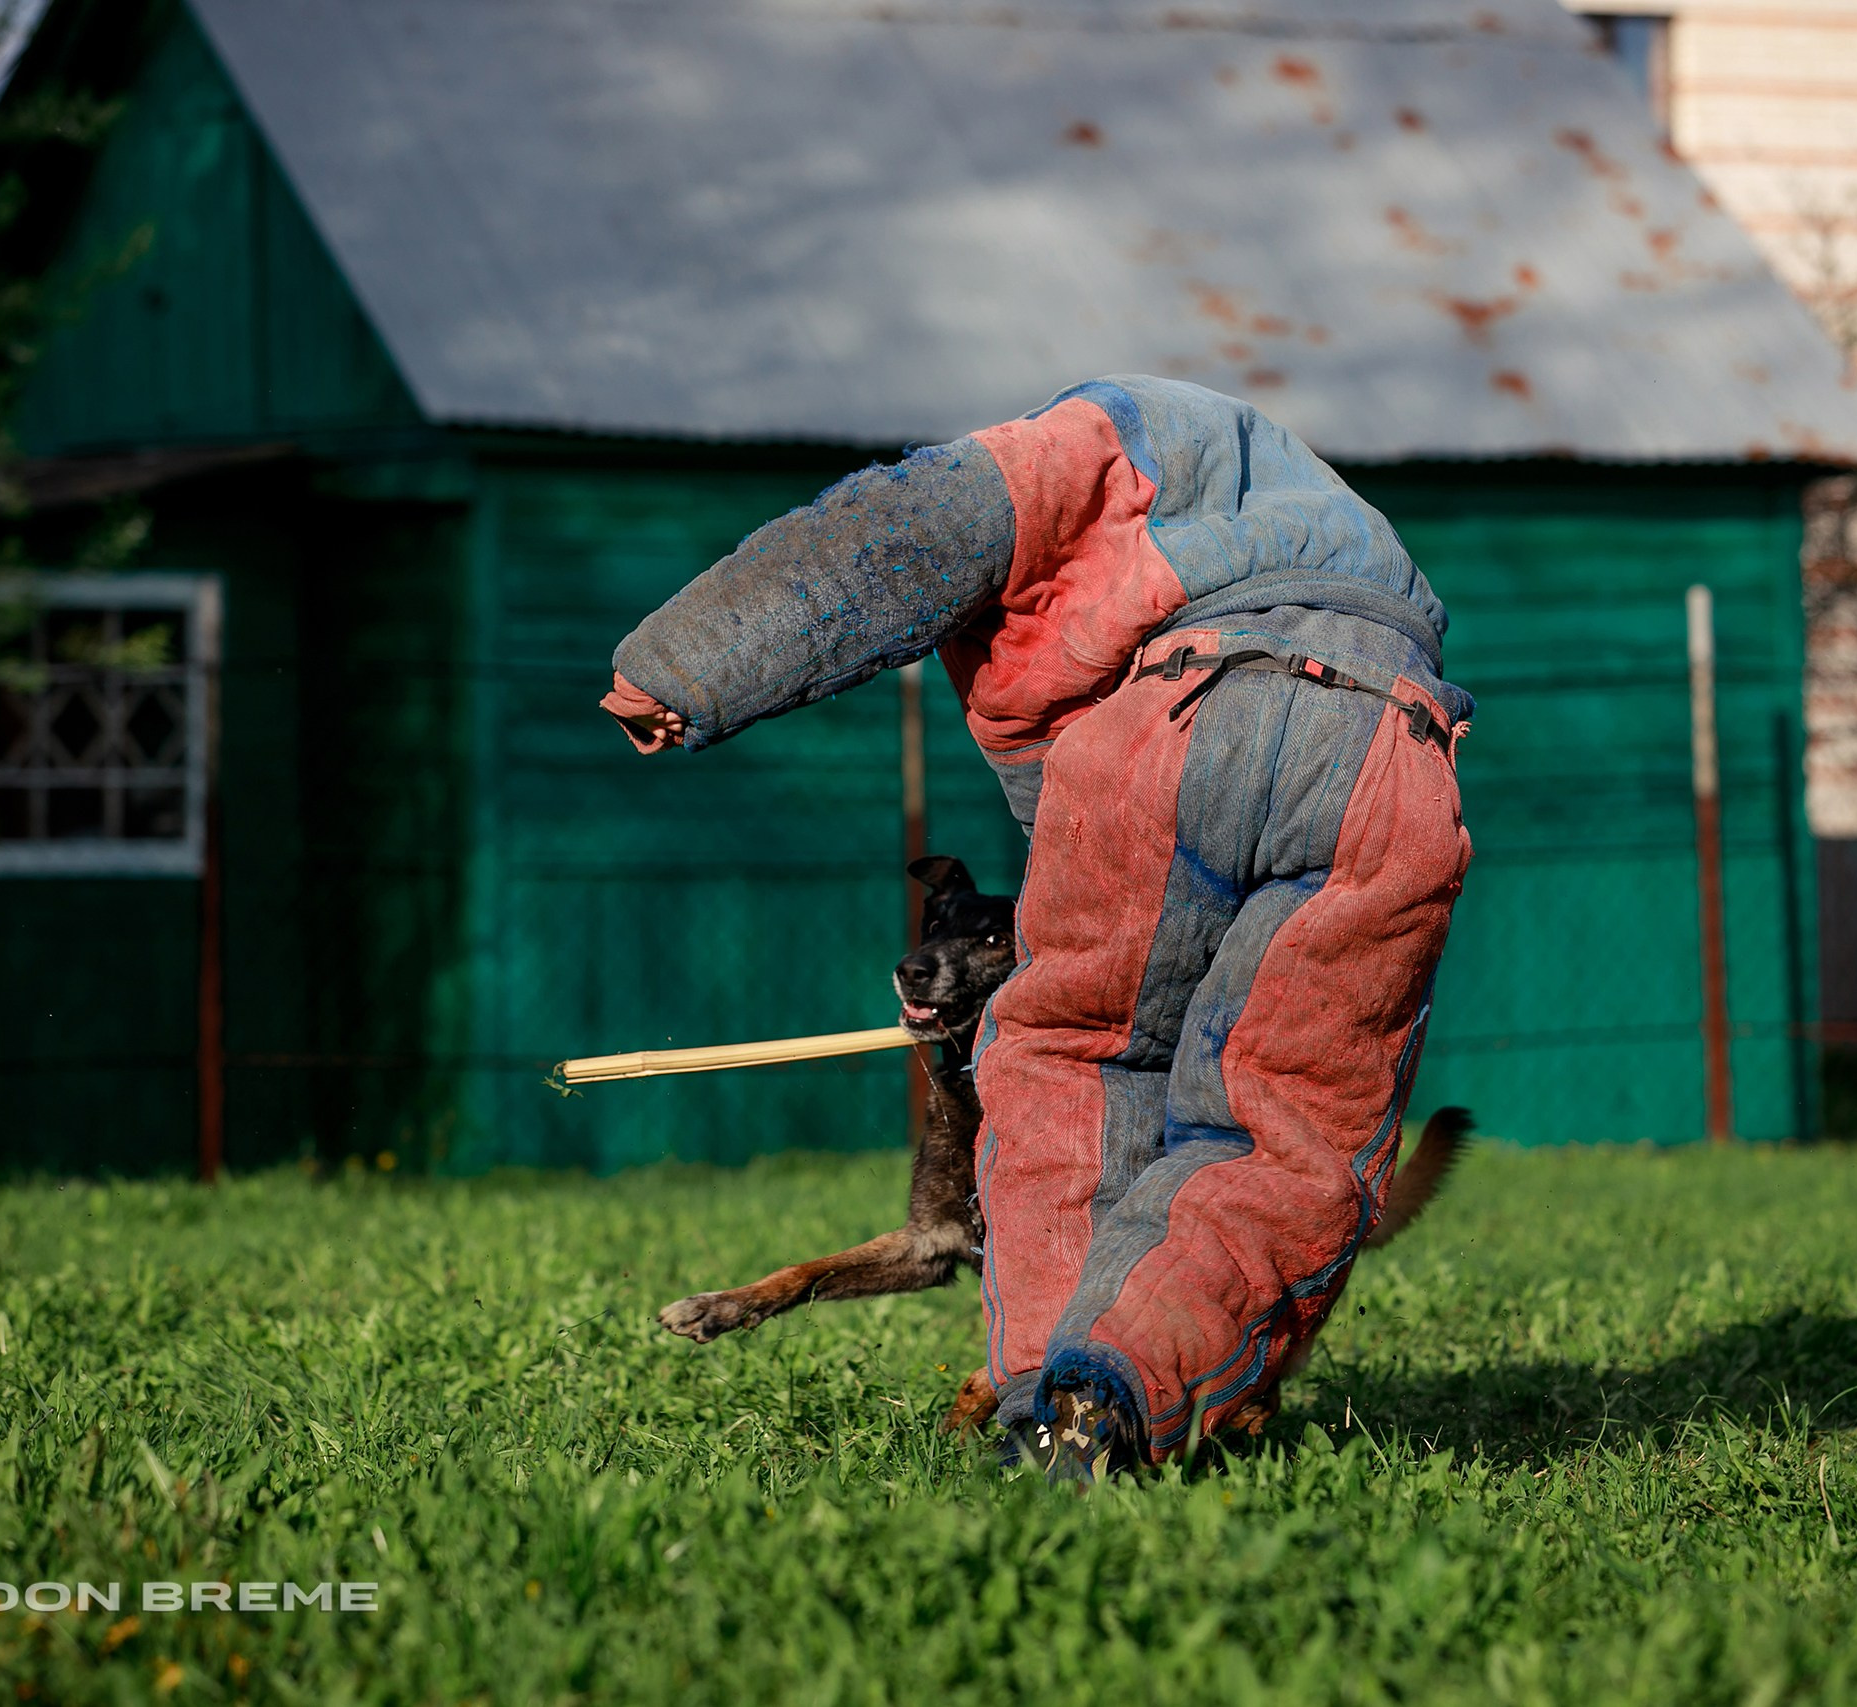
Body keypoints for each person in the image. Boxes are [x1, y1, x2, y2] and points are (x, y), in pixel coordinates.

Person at [605, 376, 1473, 1479]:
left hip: (1171, 718)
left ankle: (1054, 1399)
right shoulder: (1345, 518)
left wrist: (682, 666)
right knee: (1287, 1123)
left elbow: (897, 533)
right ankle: (1130, 1381)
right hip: (1395, 755)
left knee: (1074, 1058)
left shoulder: (1092, 441)